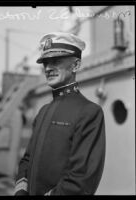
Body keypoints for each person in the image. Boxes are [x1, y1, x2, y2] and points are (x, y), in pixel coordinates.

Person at [14, 32, 106, 195]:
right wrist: (20, 191)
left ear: (76, 65)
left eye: (56, 61)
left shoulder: (90, 112)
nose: (48, 68)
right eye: (46, 63)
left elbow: (82, 180)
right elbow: (27, 159)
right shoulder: (43, 111)